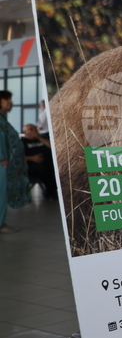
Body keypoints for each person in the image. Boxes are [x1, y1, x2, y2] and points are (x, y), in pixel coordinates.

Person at [0, 91, 30, 233]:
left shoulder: (3, 118)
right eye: (6, 99)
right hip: (2, 163)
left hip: (5, 163)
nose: (10, 102)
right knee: (2, 194)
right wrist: (2, 157)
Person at [22, 124, 57, 200]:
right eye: (31, 129)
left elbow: (53, 148)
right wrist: (32, 158)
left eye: (35, 128)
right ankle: (51, 191)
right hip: (31, 164)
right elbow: (17, 158)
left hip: (48, 162)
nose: (34, 130)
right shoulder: (22, 142)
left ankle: (51, 191)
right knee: (42, 169)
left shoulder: (43, 139)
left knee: (56, 168)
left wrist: (39, 137)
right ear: (24, 131)